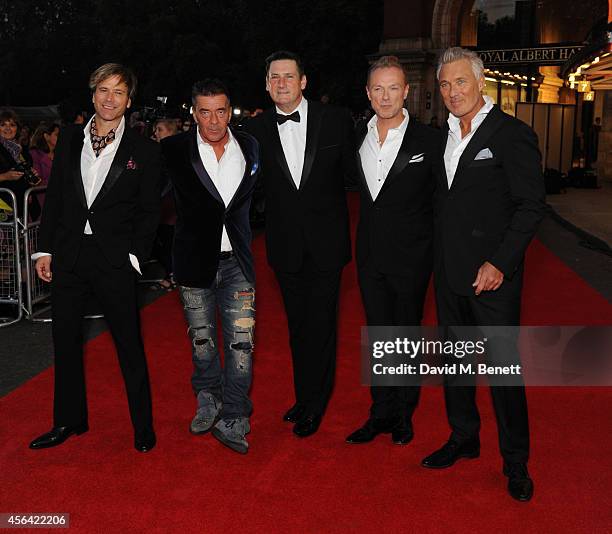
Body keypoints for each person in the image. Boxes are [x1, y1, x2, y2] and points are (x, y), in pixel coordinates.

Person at [421, 47, 545, 502]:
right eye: (446, 85)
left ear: (481, 83)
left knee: (504, 373)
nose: (453, 92)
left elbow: (531, 206)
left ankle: (516, 462)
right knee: (456, 365)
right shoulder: (443, 137)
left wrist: (500, 263)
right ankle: (464, 438)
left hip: (493, 278)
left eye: (461, 82)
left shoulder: (512, 135)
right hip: (450, 273)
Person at [29, 63, 161, 453]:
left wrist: (135, 257)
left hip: (114, 259)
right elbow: (55, 198)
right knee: (65, 341)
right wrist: (44, 248)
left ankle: (143, 426)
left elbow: (150, 212)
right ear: (92, 95)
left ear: (129, 101)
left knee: (128, 345)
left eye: (119, 92)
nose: (110, 98)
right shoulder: (70, 138)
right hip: (69, 255)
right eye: (104, 89)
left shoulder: (144, 151)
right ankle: (68, 421)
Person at [246, 51, 356, 437]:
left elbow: (357, 174)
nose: (281, 83)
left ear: (303, 81)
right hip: (285, 246)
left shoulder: (336, 120)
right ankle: (304, 396)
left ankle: (316, 403)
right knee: (297, 327)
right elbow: (249, 185)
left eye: (288, 76)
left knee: (322, 325)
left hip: (327, 244)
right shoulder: (255, 131)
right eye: (274, 77)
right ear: (266, 84)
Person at [161, 79, 259, 454]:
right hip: (192, 262)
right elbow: (146, 196)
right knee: (202, 342)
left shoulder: (250, 146)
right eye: (205, 111)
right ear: (193, 113)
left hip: (238, 262)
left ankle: (236, 413)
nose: (214, 120)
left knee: (241, 345)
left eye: (221, 111)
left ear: (230, 110)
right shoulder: (173, 150)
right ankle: (209, 398)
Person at [345, 56, 438, 446]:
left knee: (406, 336)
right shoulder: (356, 138)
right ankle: (380, 412)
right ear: (368, 93)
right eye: (377, 89)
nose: (385, 96)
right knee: (379, 336)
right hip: (369, 255)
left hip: (412, 258)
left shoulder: (430, 141)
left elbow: (444, 202)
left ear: (407, 91)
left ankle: (404, 414)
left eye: (393, 88)